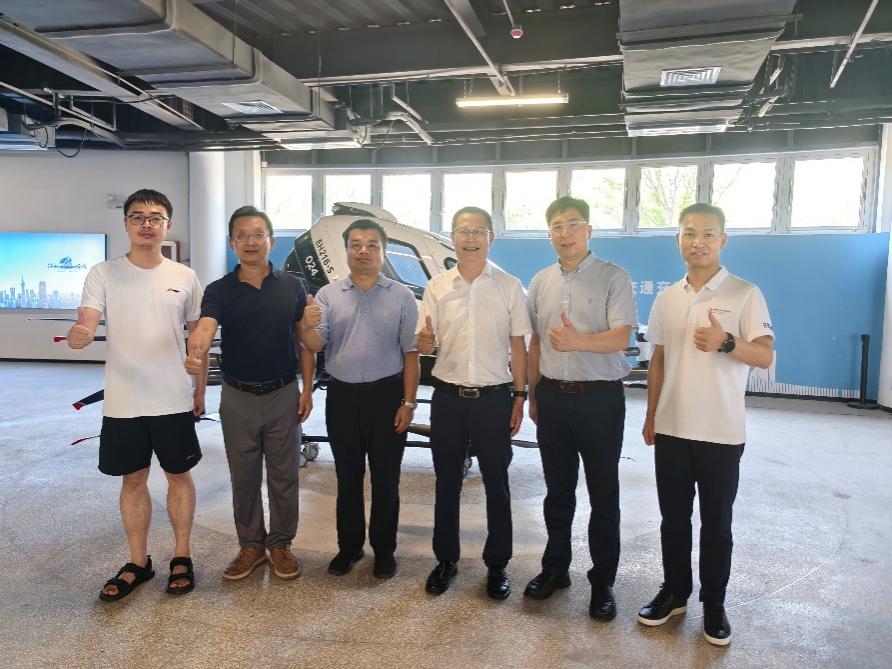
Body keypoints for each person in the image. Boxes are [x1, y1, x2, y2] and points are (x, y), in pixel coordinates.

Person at [638, 203, 774, 646]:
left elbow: (765, 355)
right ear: (678, 239)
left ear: (722, 241)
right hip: (672, 427)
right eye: (689, 233)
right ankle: (675, 592)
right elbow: (659, 360)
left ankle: (714, 603)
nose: (698, 242)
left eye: (708, 234)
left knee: (716, 524)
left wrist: (727, 341)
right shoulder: (667, 298)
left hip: (720, 431)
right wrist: (651, 414)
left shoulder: (744, 293)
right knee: (673, 519)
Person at [69, 188, 205, 601]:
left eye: (155, 217)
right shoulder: (103, 273)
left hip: (173, 397)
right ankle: (137, 562)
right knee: (133, 478)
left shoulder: (184, 277)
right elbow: (87, 320)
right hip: (124, 399)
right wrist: (81, 333)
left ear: (168, 224)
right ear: (125, 223)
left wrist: (199, 388)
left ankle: (182, 556)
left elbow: (198, 337)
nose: (147, 223)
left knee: (178, 475)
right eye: (138, 216)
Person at [185, 206, 317, 582]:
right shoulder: (219, 290)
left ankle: (281, 544)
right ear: (232, 243)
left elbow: (306, 342)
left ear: (270, 241)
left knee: (284, 475)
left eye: (258, 234)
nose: (250, 242)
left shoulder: (292, 286)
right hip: (237, 395)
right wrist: (197, 349)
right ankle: (251, 546)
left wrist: (308, 389)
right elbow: (205, 328)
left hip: (283, 393)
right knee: (243, 476)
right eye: (241, 235)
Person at [524, 195, 637, 621]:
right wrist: (533, 394)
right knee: (557, 490)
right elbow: (536, 343)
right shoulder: (540, 282)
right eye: (557, 226)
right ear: (549, 234)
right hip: (553, 396)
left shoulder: (613, 277)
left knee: (603, 493)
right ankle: (555, 569)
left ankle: (602, 581)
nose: (565, 233)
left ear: (588, 230)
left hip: (600, 400)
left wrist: (578, 342)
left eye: (573, 224)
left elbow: (621, 337)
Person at [415, 206, 531, 600]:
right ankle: (445, 559)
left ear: (490, 238)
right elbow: (425, 342)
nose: (470, 238)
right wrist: (424, 344)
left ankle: (497, 565)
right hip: (447, 399)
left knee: (497, 483)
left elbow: (518, 345)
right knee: (447, 481)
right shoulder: (438, 287)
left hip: (493, 399)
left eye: (478, 231)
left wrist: (520, 396)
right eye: (463, 231)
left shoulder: (509, 286)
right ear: (452, 238)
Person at [300, 218, 419, 579]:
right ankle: (349, 548)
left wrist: (408, 402)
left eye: (371, 244)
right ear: (347, 250)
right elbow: (315, 345)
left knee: (386, 479)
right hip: (343, 398)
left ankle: (384, 551)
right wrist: (304, 323)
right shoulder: (328, 296)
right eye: (355, 244)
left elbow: (411, 354)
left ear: (383, 251)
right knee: (347, 477)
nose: (363, 251)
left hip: (387, 397)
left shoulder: (402, 296)